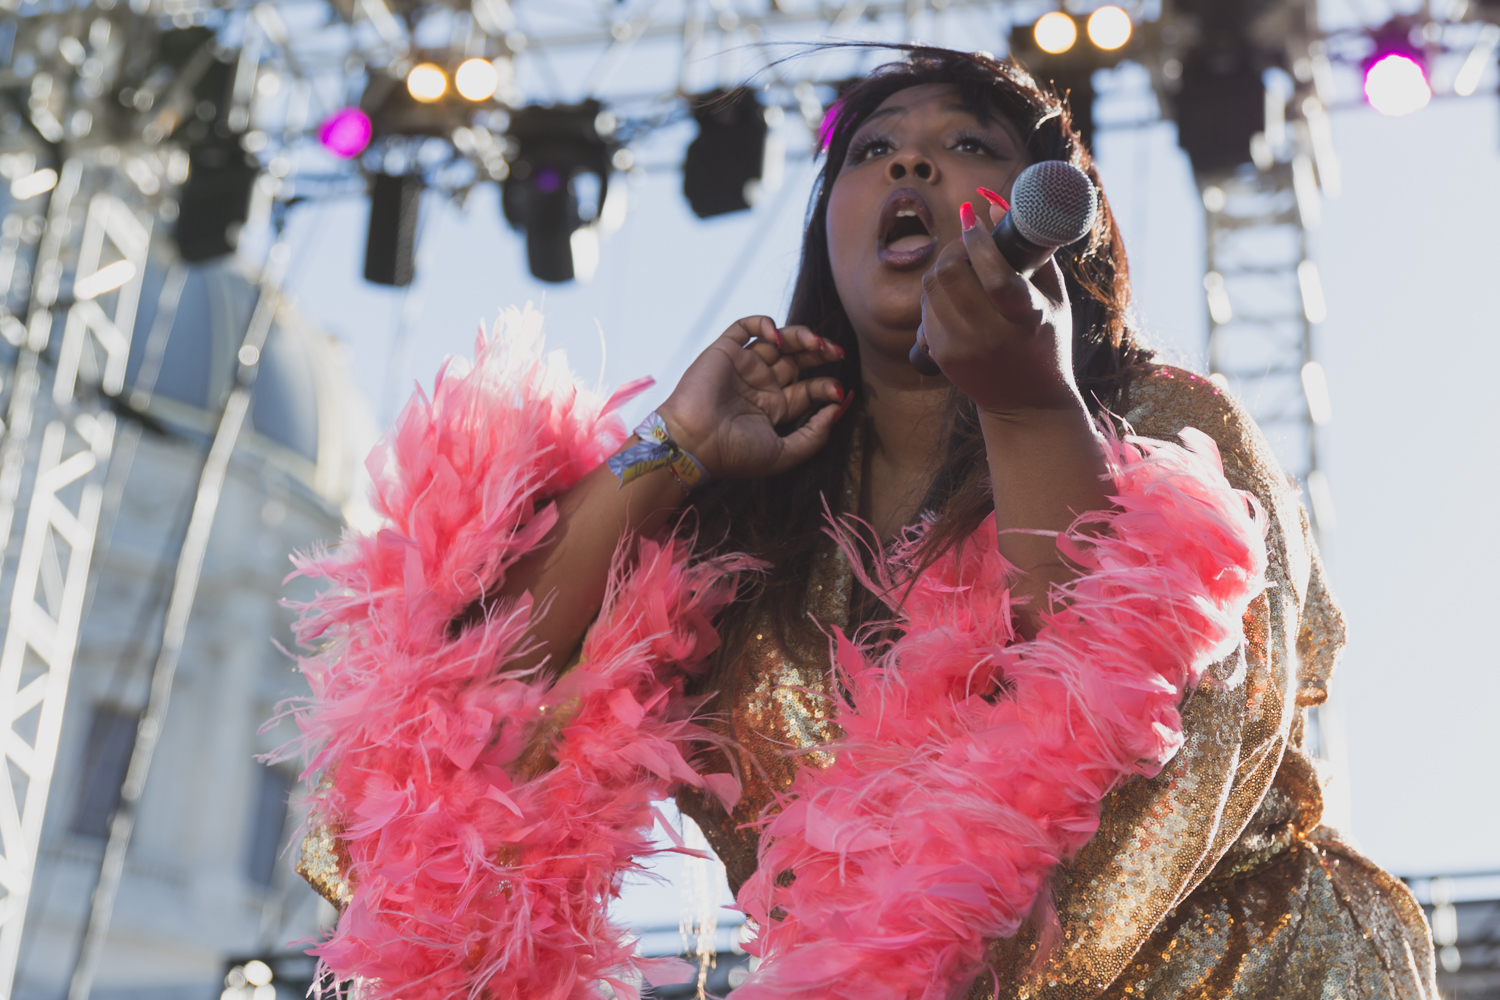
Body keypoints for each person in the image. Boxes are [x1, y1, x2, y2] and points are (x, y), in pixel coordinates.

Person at [287, 48, 1437, 1000]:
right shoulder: (739, 534)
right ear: (826, 228)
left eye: (969, 144)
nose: (912, 161)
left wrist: (1028, 405)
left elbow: (1125, 740)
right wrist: (670, 450)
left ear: (1047, 222)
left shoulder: (1165, 429)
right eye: (873, 149)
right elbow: (450, 735)